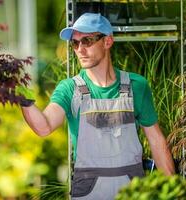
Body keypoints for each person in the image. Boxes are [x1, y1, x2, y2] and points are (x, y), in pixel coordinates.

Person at [20, 12, 175, 200]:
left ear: (107, 42)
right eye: (75, 43)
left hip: (132, 191)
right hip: (88, 193)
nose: (80, 49)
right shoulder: (69, 89)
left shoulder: (136, 86)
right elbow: (43, 127)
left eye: (87, 41)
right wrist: (22, 97)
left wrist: (173, 190)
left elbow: (156, 141)